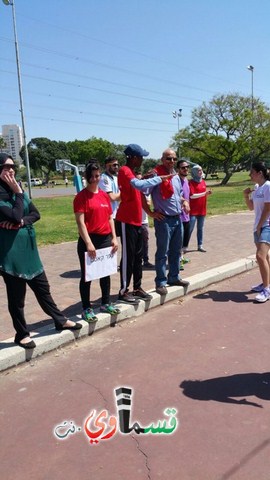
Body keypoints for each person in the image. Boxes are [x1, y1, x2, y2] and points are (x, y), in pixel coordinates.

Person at [0, 153, 82, 349]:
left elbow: (35, 214)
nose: (11, 170)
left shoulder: (17, 191)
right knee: (17, 299)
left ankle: (59, 320)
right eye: (6, 167)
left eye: (13, 166)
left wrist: (20, 222)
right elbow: (15, 214)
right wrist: (17, 194)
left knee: (43, 290)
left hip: (30, 254)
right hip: (11, 257)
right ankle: (21, 334)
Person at [115, 144, 166, 304]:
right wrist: (158, 179)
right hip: (126, 220)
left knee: (138, 257)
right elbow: (138, 186)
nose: (143, 159)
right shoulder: (124, 170)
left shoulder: (133, 174)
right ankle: (124, 291)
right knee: (128, 257)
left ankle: (137, 287)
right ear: (134, 157)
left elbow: (141, 195)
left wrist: (150, 213)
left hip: (138, 221)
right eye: (141, 157)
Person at [73, 161, 120, 321]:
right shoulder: (81, 197)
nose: (94, 179)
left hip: (105, 239)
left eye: (97, 176)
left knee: (105, 273)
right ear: (86, 177)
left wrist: (114, 238)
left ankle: (105, 303)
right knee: (88, 275)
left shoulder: (104, 196)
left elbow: (110, 218)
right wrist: (88, 243)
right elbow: (80, 222)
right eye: (91, 176)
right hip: (89, 240)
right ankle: (86, 308)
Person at [150, 148, 190, 295]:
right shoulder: (156, 175)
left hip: (177, 218)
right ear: (162, 159)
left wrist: (184, 201)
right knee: (162, 252)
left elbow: (178, 195)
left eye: (173, 158)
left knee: (176, 251)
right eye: (168, 158)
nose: (171, 161)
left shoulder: (175, 176)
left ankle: (174, 277)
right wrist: (150, 212)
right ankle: (160, 282)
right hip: (163, 220)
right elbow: (142, 193)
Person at [243, 161, 270, 303]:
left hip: (267, 226)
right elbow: (251, 208)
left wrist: (260, 225)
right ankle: (267, 283)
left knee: (260, 256)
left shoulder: (268, 187)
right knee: (265, 258)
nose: (250, 175)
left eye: (252, 172)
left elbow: (268, 208)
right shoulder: (257, 187)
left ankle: (266, 290)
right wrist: (246, 196)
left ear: (260, 173)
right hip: (258, 226)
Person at [188, 164, 212, 252]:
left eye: (201, 170)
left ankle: (200, 245)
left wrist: (207, 194)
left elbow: (203, 195)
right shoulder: (190, 182)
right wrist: (204, 194)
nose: (200, 172)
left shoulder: (203, 182)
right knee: (190, 229)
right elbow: (192, 196)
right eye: (198, 170)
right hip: (193, 211)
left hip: (202, 210)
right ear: (194, 172)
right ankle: (184, 246)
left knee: (200, 228)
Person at [136, 172, 154, 269]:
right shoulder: (133, 191)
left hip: (144, 221)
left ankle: (145, 260)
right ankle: (135, 261)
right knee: (134, 244)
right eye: (138, 180)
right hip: (134, 222)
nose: (140, 182)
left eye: (142, 180)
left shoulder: (146, 192)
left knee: (145, 242)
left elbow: (148, 203)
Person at [177, 159, 191, 269]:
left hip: (186, 215)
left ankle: (181, 257)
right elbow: (175, 194)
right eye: (183, 167)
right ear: (178, 169)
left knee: (185, 240)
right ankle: (178, 261)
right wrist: (184, 201)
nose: (186, 169)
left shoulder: (186, 180)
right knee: (178, 240)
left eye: (187, 167)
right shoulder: (176, 181)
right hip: (179, 216)